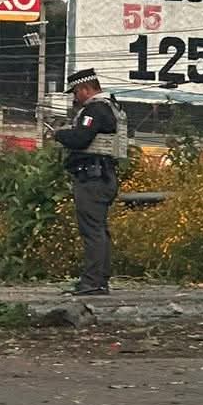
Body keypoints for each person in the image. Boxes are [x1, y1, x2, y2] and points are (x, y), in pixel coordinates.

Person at [52, 67, 126, 296]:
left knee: (92, 230)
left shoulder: (94, 109)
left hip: (92, 178)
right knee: (99, 230)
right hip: (105, 176)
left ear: (86, 89)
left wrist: (58, 134)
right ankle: (99, 280)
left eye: (76, 92)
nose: (75, 97)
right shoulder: (112, 107)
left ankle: (92, 281)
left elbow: (81, 138)